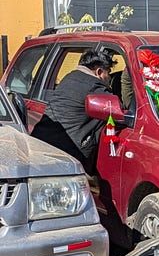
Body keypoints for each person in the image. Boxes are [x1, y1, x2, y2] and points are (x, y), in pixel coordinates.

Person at [32, 46, 115, 174]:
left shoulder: (69, 77)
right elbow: (115, 109)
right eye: (108, 73)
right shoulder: (94, 86)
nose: (109, 79)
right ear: (99, 72)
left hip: (40, 145)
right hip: (66, 156)